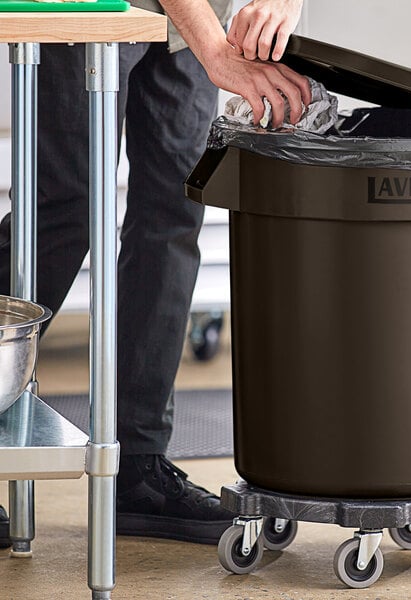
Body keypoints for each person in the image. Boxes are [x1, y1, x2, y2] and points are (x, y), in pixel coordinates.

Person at [0, 0, 308, 547]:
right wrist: (215, 48)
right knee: (63, 209)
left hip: (192, 17)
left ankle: (137, 464)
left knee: (173, 210)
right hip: (91, 7)